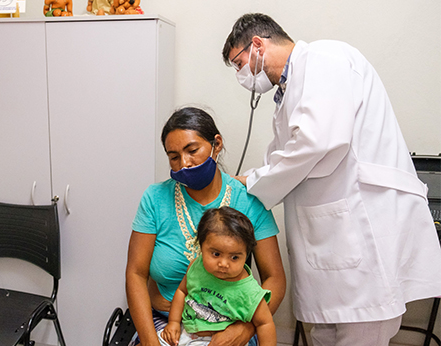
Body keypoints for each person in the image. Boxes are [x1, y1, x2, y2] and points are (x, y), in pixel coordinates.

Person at [222, 13, 441, 346]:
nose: (243, 75)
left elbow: (319, 141)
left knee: (362, 333)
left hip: (363, 233)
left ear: (257, 45)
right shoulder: (288, 92)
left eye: (239, 63)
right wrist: (251, 177)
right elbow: (286, 154)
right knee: (327, 334)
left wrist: (253, 182)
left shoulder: (323, 58)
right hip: (333, 248)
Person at [126, 107, 286, 346]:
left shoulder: (249, 200)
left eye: (192, 151)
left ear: (216, 144)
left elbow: (275, 278)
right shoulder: (155, 198)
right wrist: (150, 343)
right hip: (165, 321)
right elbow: (136, 274)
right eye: (173, 156)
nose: (184, 164)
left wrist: (245, 329)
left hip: (230, 327)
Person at [159, 207, 276, 346]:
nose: (223, 264)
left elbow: (265, 324)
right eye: (216, 254)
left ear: (246, 255)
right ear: (201, 247)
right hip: (186, 331)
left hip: (220, 341)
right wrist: (173, 323)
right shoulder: (196, 266)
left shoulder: (249, 291)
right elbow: (182, 291)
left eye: (234, 257)